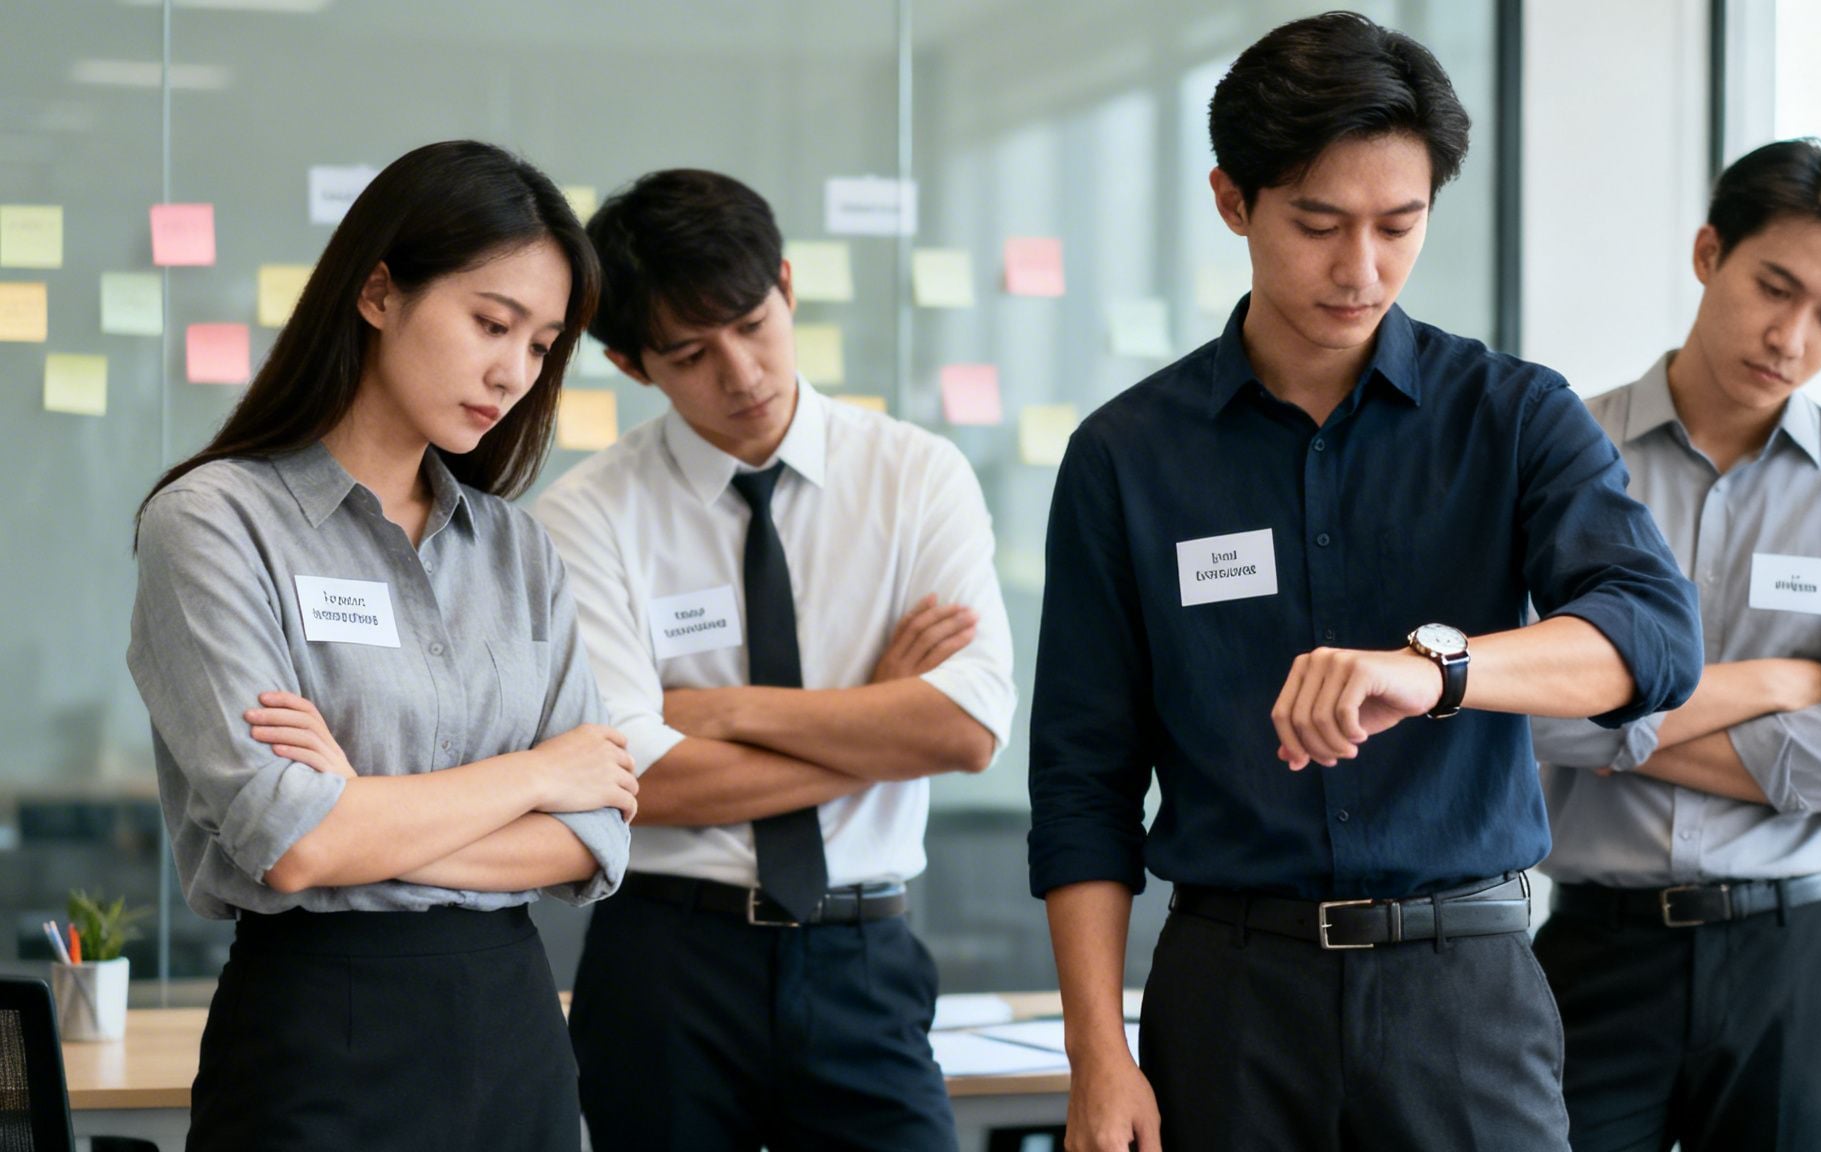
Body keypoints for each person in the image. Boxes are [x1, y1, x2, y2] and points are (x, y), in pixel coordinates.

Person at [1027, 12, 1703, 1152]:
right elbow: (1083, 784)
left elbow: (1650, 643)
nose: (1361, 269)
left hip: (1464, 995)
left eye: (1400, 225)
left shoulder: (1513, 416)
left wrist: (1434, 672)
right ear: (1231, 202)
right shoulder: (1126, 456)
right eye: (1318, 225)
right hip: (1229, 998)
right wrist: (1097, 1053)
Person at [126, 139, 636, 1152]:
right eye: (491, 323)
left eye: (539, 347)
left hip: (515, 1028)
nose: (512, 373)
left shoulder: (516, 547)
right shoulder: (213, 523)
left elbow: (594, 838)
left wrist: (359, 809)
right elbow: (296, 840)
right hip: (320, 1034)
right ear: (376, 292)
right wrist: (538, 769)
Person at [535, 168, 1015, 1151]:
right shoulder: (584, 516)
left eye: (753, 324)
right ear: (633, 366)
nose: (742, 374)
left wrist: (727, 710)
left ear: (787, 287)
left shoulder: (916, 476)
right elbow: (633, 782)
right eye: (691, 353)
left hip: (862, 952)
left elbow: (964, 732)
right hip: (668, 958)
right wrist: (877, 714)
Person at [1530, 139, 1821, 1152]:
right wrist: (1772, 685)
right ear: (1707, 251)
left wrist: (1605, 717)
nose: (1788, 336)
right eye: (1773, 286)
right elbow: (1519, 712)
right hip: (1592, 950)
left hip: (1790, 956)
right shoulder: (1557, 458)